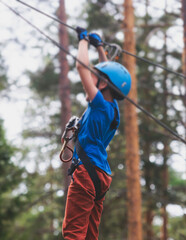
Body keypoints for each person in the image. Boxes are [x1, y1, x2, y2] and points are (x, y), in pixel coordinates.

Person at [62, 27, 131, 240]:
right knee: (90, 234)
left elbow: (81, 67)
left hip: (86, 173)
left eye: (96, 77)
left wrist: (83, 41)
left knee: (73, 232)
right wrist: (99, 47)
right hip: (101, 176)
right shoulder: (113, 110)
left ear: (103, 85)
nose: (91, 78)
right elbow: (107, 72)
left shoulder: (99, 104)